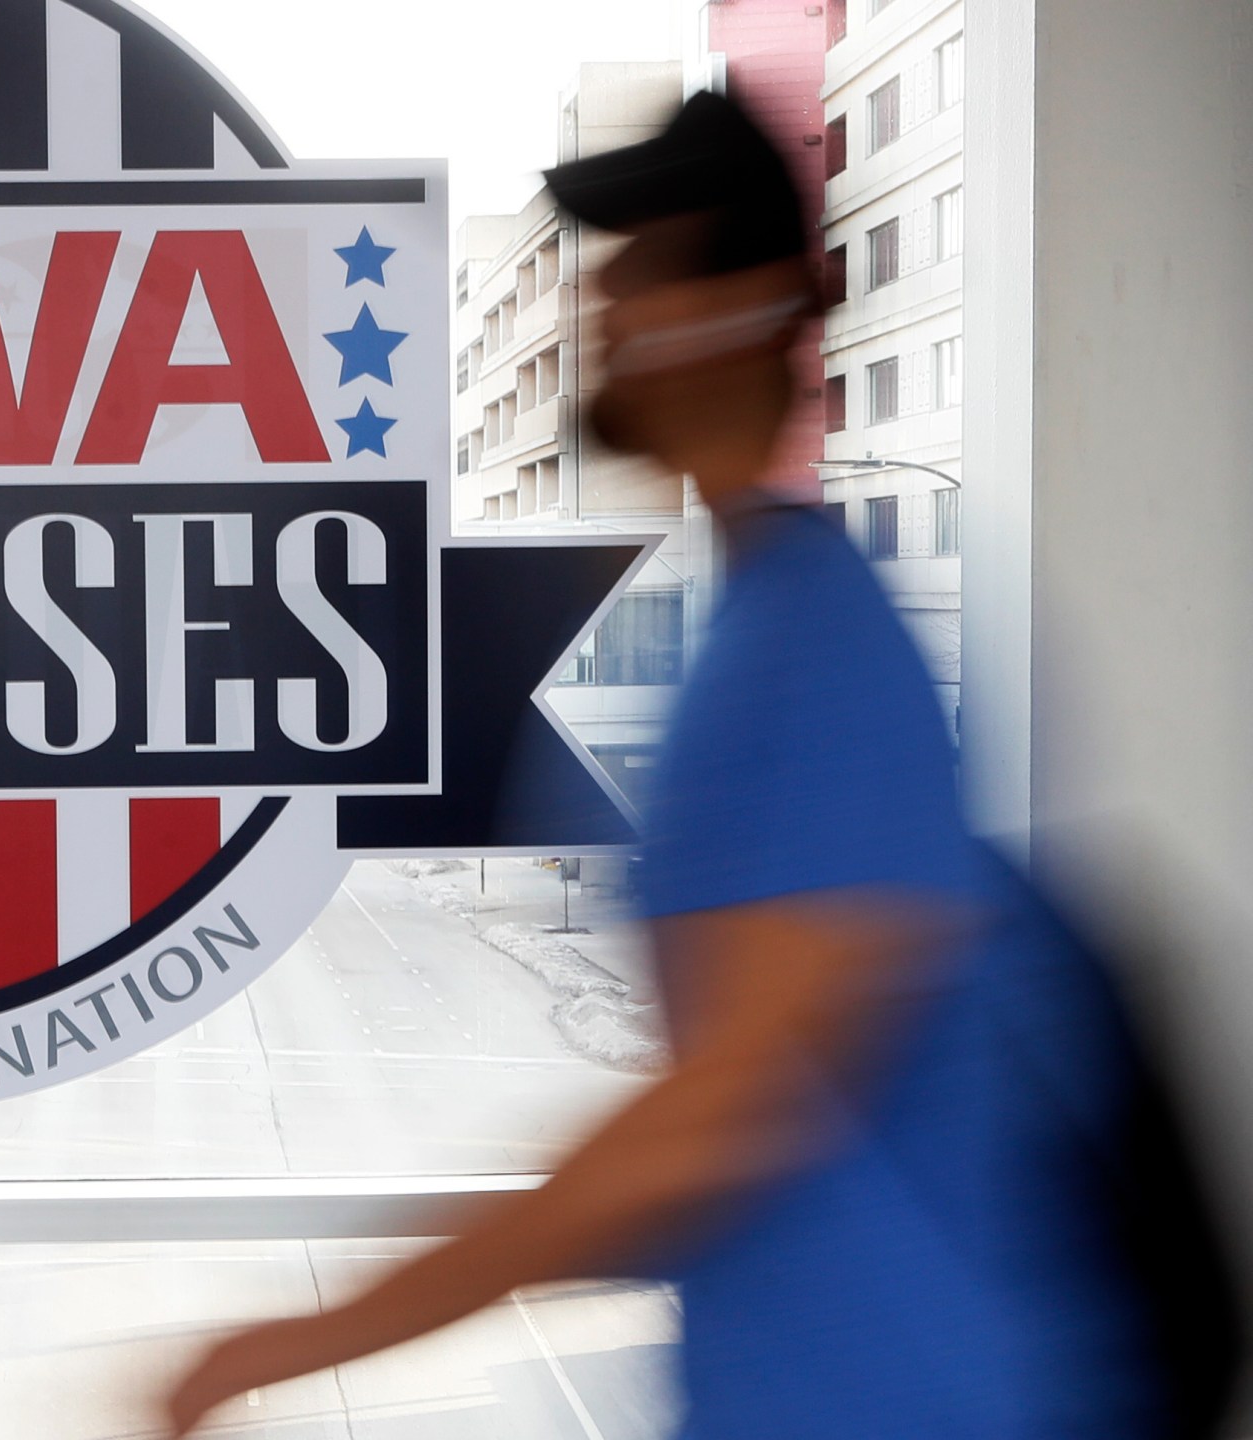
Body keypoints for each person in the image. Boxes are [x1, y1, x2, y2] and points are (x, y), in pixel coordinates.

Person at [159, 91, 1170, 1438]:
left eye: (637, 271)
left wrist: (309, 1337)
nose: (600, 311)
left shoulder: (818, 649)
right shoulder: (755, 625)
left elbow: (722, 1125)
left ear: (753, 305)